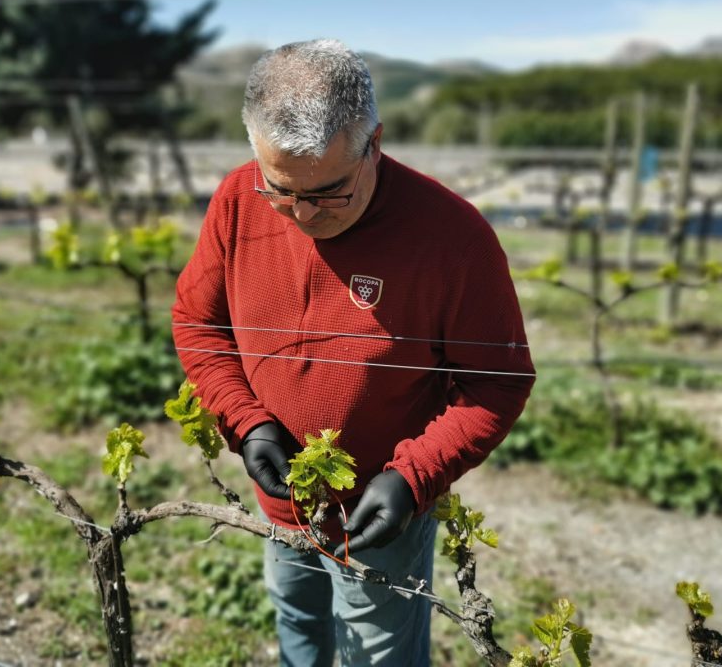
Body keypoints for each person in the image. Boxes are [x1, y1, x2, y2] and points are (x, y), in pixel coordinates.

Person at [171, 39, 534, 666]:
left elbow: (497, 383)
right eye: (280, 190)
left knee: (376, 654)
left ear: (375, 143)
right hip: (282, 496)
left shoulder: (452, 239)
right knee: (297, 622)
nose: (304, 215)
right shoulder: (236, 200)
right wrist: (247, 422)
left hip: (380, 515)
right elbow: (199, 324)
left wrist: (411, 477)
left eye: (330, 192)